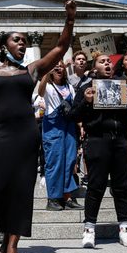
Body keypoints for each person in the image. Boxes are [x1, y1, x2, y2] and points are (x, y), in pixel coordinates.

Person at [0, 0, 76, 253]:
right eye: (17, 40)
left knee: (22, 189)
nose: (22, 43)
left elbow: (60, 48)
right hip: (0, 136)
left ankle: (13, 244)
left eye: (25, 40)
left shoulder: (32, 70)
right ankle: (4, 237)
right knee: (0, 188)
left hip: (26, 135)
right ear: (4, 46)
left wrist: (69, 20)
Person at [70, 54, 127, 248]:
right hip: (97, 140)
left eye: (109, 61)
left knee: (122, 187)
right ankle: (89, 229)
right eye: (102, 61)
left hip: (121, 141)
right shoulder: (86, 88)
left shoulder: (122, 85)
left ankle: (124, 228)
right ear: (95, 67)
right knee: (95, 186)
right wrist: (86, 101)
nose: (107, 63)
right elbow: (74, 115)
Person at [38, 61, 81, 211]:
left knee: (69, 162)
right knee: (54, 162)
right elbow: (40, 92)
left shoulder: (69, 86)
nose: (58, 67)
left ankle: (67, 197)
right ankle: (53, 198)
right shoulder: (48, 86)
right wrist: (45, 72)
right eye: (54, 65)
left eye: (61, 66)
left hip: (68, 127)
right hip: (53, 127)